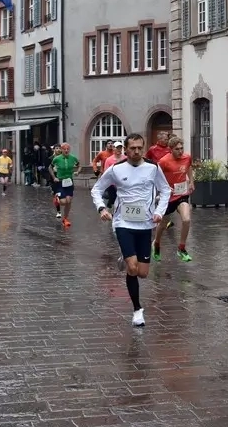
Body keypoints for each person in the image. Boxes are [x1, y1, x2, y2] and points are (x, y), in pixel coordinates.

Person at [91, 133, 171, 327]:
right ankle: (137, 310)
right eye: (132, 148)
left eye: (139, 148)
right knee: (133, 268)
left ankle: (125, 258)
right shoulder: (116, 169)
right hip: (123, 223)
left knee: (143, 273)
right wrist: (102, 208)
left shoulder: (153, 167)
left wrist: (160, 212)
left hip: (145, 224)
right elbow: (96, 189)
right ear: (125, 150)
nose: (136, 151)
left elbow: (166, 189)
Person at [154, 136, 194, 262]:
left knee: (186, 219)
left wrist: (191, 182)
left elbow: (189, 167)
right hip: (168, 197)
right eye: (177, 149)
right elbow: (155, 176)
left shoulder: (187, 157)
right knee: (163, 224)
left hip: (182, 194)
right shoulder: (163, 161)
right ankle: (156, 243)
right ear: (170, 150)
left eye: (182, 148)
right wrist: (164, 188)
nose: (180, 151)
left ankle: (181, 248)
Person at [51, 142, 79, 226]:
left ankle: (65, 219)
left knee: (69, 201)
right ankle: (56, 199)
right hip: (60, 182)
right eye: (64, 149)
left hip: (69, 181)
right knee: (63, 202)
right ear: (62, 150)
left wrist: (78, 171)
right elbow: (50, 167)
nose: (66, 150)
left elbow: (79, 165)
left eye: (68, 149)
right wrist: (54, 177)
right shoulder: (57, 159)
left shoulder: (73, 158)